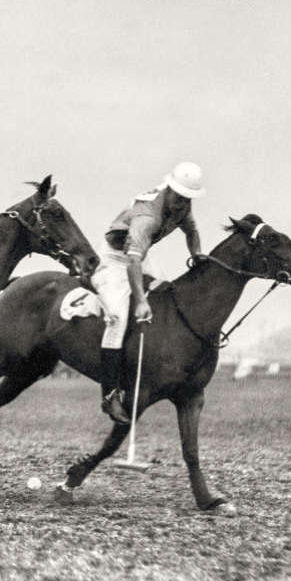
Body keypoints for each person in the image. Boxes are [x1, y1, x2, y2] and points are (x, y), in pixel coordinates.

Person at [91, 161, 206, 424]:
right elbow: (132, 262)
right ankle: (110, 395)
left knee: (168, 297)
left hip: (140, 256)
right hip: (116, 258)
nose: (184, 204)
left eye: (189, 199)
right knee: (118, 317)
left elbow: (193, 231)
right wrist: (141, 301)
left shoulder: (182, 205)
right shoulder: (148, 217)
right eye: (180, 198)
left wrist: (197, 255)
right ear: (171, 189)